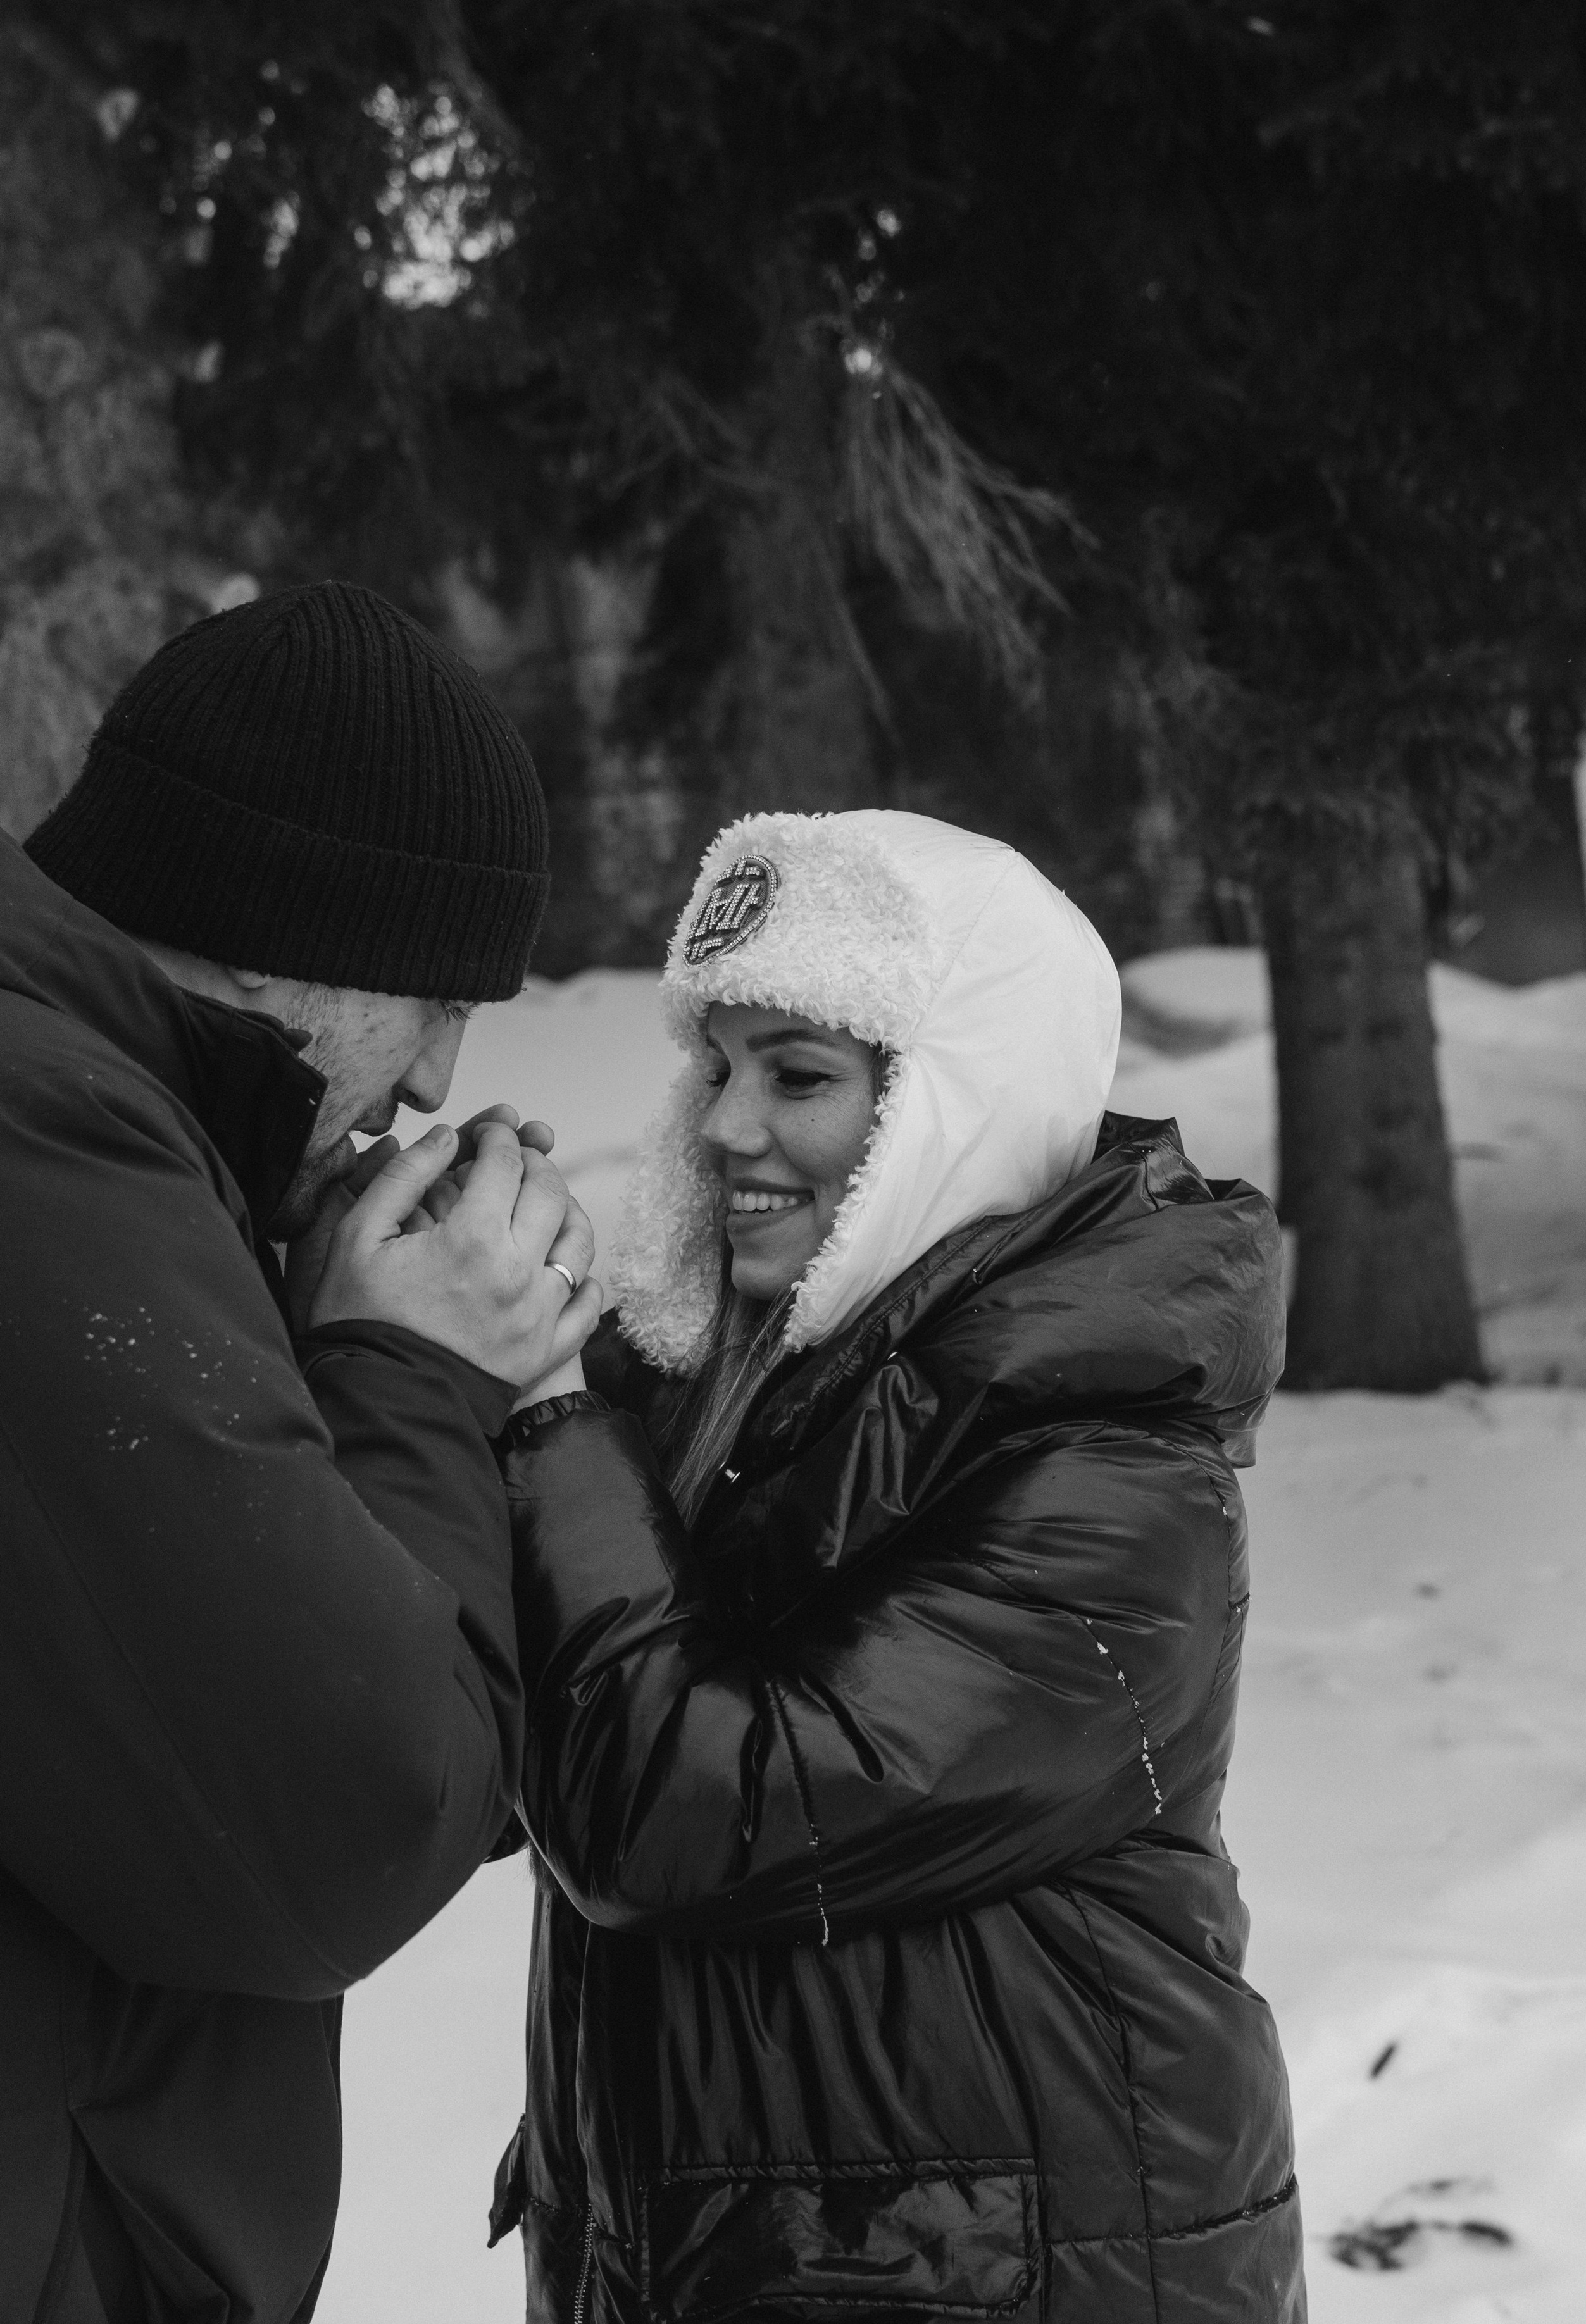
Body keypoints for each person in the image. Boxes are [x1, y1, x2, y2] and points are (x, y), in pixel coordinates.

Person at [492, 808, 1304, 2324]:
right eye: (715, 1065)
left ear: (958, 1106)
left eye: (798, 1073)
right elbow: (500, 1747)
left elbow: (682, 1813)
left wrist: (544, 1413)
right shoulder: (711, 1402)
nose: (725, 1126)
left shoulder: (1108, 1480)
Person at [1, 581, 599, 2324]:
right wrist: (410, 1375)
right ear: (275, 934)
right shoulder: (44, 1137)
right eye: (427, 995)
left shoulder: (104, 1125)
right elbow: (337, 1822)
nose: (435, 1076)